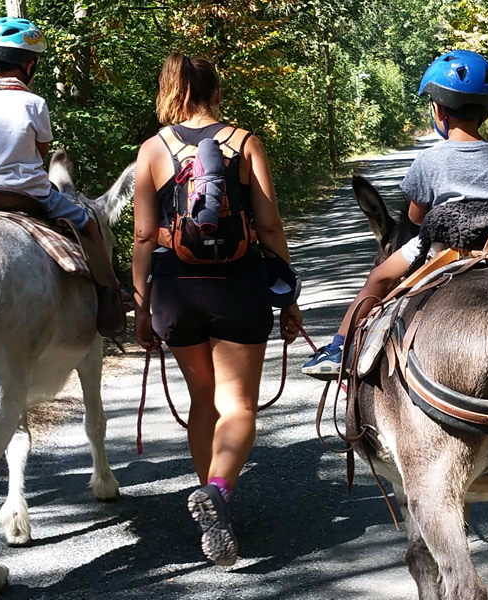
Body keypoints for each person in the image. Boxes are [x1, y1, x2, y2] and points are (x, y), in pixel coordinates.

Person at [131, 52, 304, 566]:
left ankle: (209, 493)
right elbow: (269, 227)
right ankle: (219, 492)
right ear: (217, 92)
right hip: (238, 285)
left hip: (175, 289)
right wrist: (288, 294)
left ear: (169, 92)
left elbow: (143, 235)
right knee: (240, 405)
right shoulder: (245, 141)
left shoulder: (152, 149)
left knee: (202, 396)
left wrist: (142, 306)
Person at [300, 49, 488, 379]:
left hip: (443, 250)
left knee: (379, 278)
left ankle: (338, 349)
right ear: (486, 114)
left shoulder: (428, 161)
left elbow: (416, 220)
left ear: (439, 110)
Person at [0, 16, 124, 336]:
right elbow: (42, 152)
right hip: (31, 194)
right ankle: (110, 293)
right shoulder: (34, 103)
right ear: (28, 65)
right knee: (87, 222)